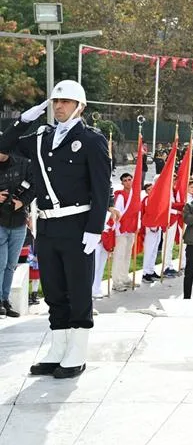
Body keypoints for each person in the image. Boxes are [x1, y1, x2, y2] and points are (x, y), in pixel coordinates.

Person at [0, 80, 111, 379]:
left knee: (77, 290)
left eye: (65, 102)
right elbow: (3, 146)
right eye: (55, 102)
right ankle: (58, 348)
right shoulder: (41, 138)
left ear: (80, 106)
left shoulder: (91, 140)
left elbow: (102, 188)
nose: (58, 106)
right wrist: (24, 118)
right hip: (47, 225)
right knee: (54, 291)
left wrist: (95, 229)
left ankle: (77, 351)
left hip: (77, 225)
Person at [0, 150, 35, 317]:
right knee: (1, 263)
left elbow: (34, 186)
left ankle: (5, 300)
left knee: (11, 265)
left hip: (18, 221)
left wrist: (22, 202)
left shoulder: (23, 163)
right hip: (0, 222)